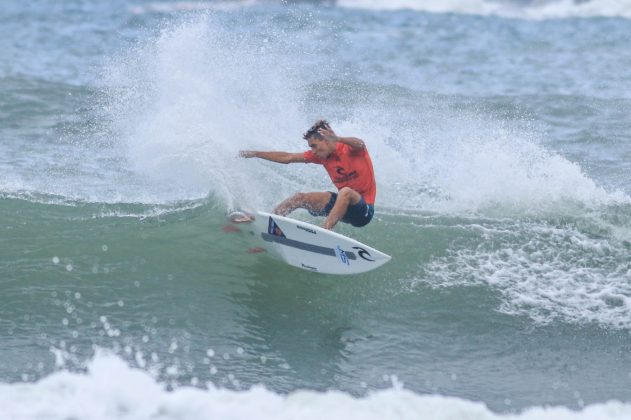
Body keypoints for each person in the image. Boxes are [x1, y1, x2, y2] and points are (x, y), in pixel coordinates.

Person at [239, 120, 377, 230]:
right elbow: (287, 157)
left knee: (346, 192)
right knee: (299, 198)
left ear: (327, 140)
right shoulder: (322, 156)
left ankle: (325, 232)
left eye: (315, 145)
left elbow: (360, 143)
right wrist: (255, 154)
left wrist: (339, 138)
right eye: (311, 147)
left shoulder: (351, 150)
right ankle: (268, 220)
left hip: (363, 212)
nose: (313, 151)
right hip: (342, 209)